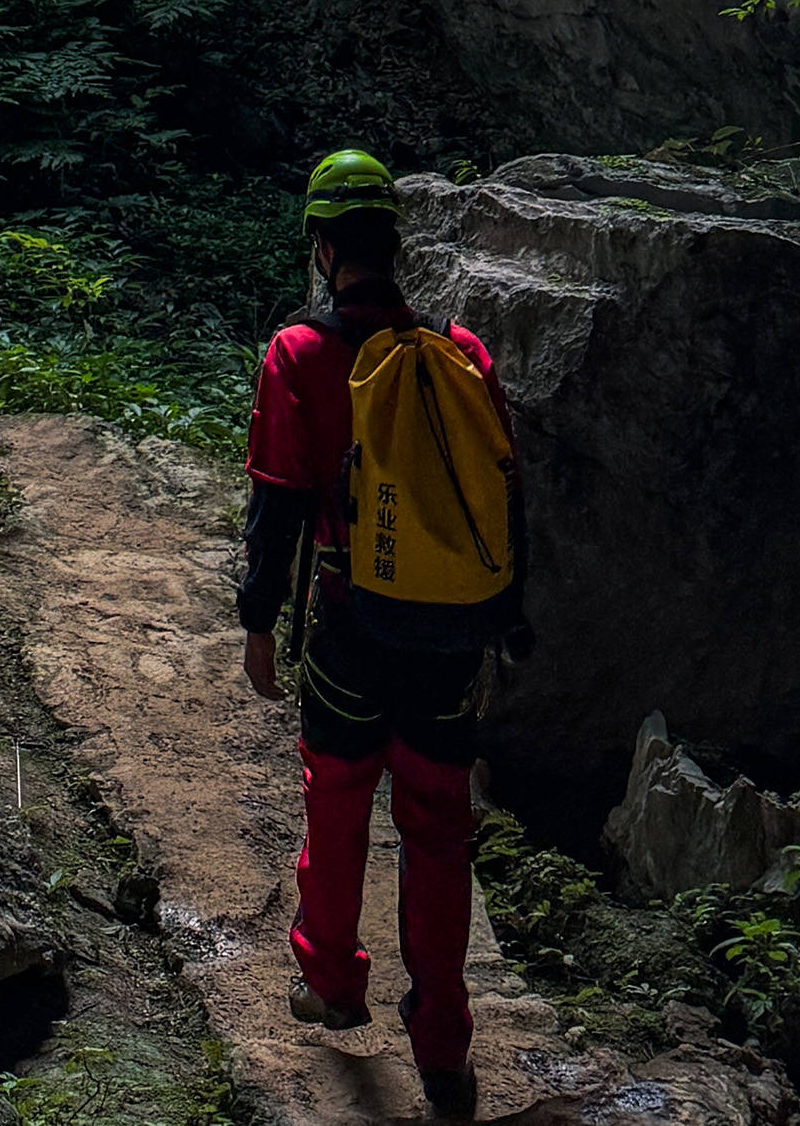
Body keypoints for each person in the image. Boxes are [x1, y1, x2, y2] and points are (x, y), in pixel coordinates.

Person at [235, 148, 527, 1122]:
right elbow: (500, 500)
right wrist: (507, 622)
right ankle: (444, 1047)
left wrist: (258, 624)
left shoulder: (301, 355)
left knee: (340, 795)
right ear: (394, 243)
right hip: (449, 637)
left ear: (324, 248)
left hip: (352, 625)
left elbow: (277, 507)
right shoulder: (461, 352)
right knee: (439, 828)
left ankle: (333, 980)